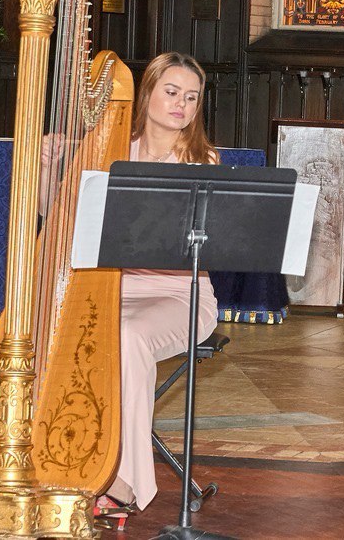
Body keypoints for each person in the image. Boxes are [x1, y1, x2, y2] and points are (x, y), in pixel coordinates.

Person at [84, 53, 220, 525]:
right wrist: (48, 169)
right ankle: (71, 458)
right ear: (146, 93)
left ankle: (127, 482)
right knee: (59, 328)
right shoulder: (110, 150)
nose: (181, 103)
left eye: (191, 96)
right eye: (171, 91)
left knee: (128, 337)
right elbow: (64, 219)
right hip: (114, 288)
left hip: (180, 296)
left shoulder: (202, 162)